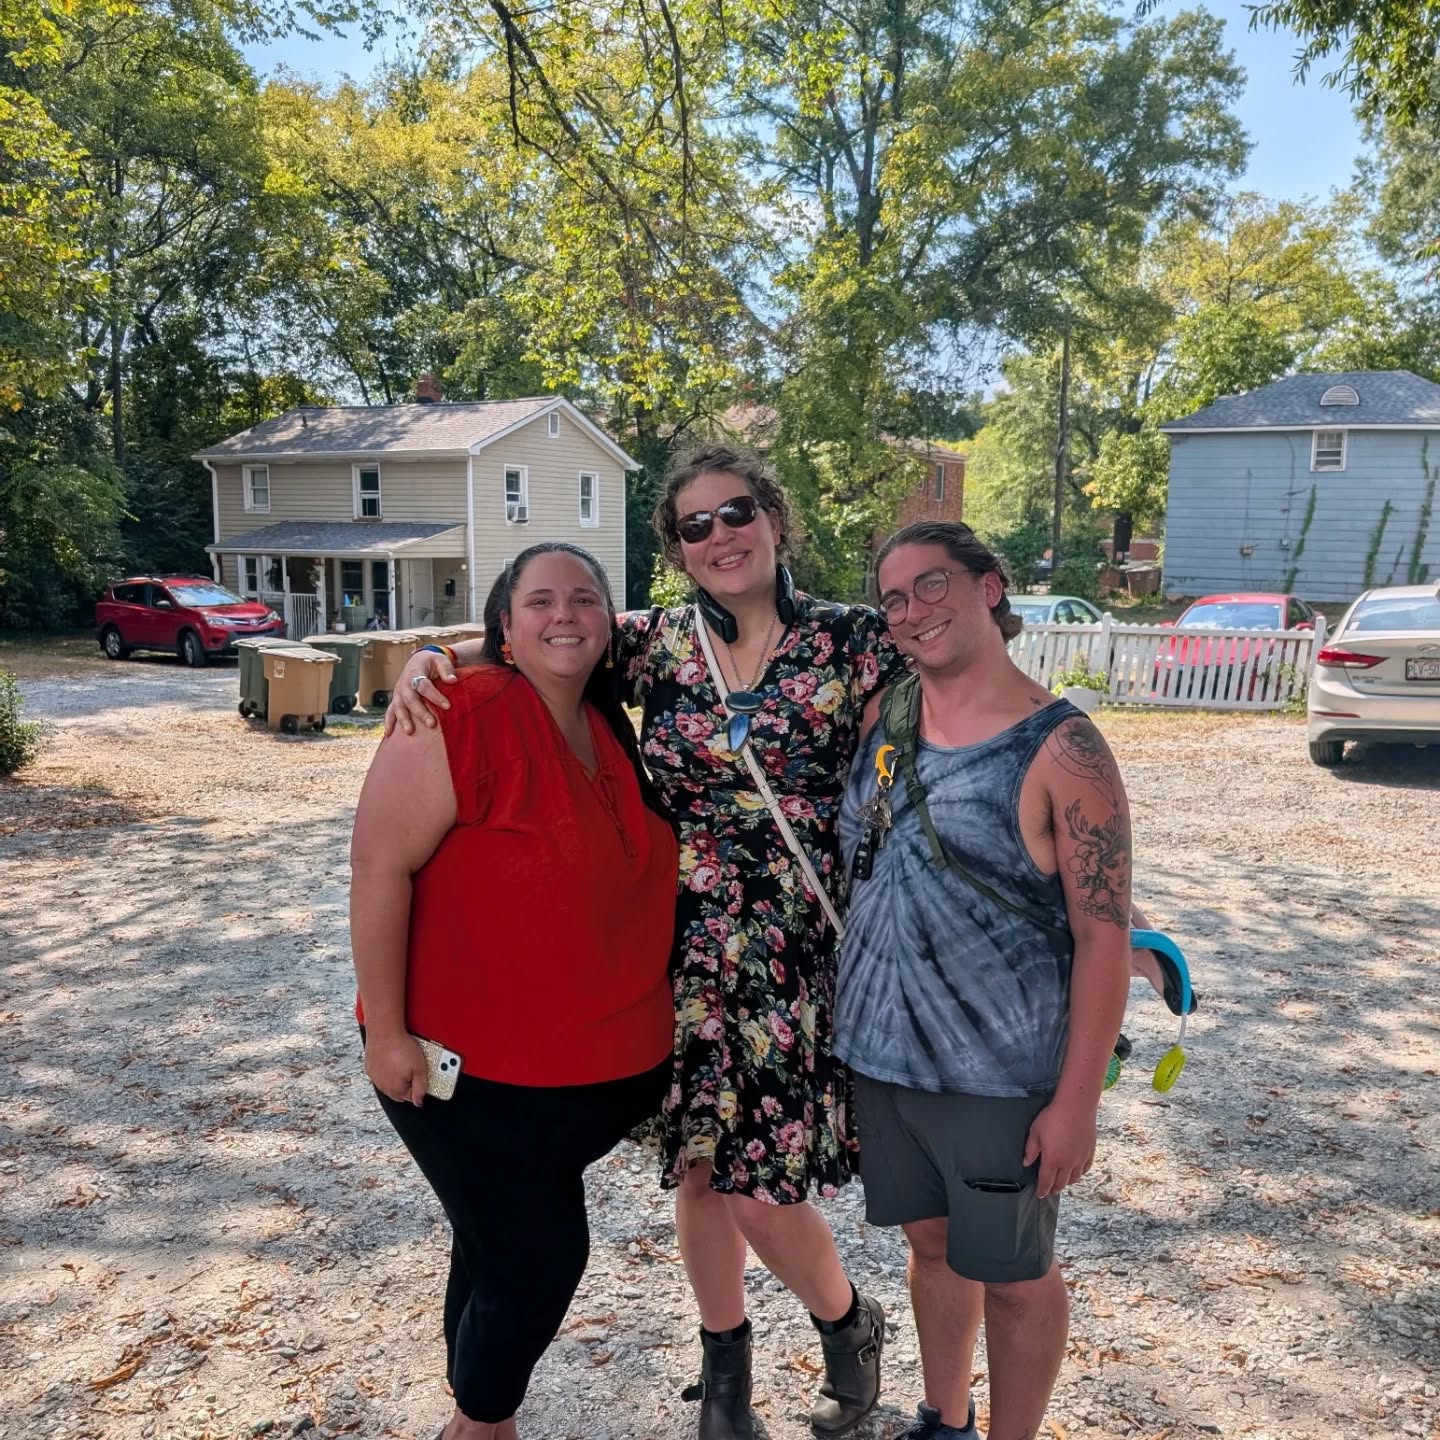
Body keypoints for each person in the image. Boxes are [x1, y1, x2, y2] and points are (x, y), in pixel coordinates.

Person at [387, 445, 905, 1439]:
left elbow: (924, 763)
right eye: (695, 525)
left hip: (793, 950)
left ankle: (848, 1322)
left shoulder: (853, 641)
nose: (720, 535)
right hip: (679, 946)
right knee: (701, 1170)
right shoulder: (654, 645)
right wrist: (432, 658)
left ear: (776, 519)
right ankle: (726, 1382)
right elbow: (539, 632)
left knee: (762, 1188)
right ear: (676, 549)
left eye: (736, 512)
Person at [351, 542, 678, 1440]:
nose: (565, 613)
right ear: (505, 624)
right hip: (468, 1071)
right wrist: (386, 1031)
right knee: (540, 1253)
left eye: (586, 598)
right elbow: (380, 865)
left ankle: (471, 1397)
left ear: (612, 624)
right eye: (540, 600)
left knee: (494, 1241)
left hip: (587, 1077)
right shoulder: (462, 706)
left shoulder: (610, 720)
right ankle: (483, 1422)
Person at [835, 521, 1135, 1440]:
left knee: (1015, 1277)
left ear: (989, 587)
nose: (913, 611)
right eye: (893, 599)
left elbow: (1106, 941)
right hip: (883, 1059)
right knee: (931, 1249)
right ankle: (945, 1417)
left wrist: (1075, 1103)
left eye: (932, 585)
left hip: (998, 1075)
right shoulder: (883, 718)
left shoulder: (1062, 748)